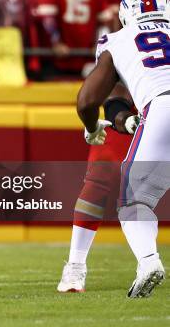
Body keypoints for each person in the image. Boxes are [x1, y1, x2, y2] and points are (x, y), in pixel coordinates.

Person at [75, 0, 169, 298]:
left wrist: (91, 127)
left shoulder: (117, 39)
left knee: (133, 199)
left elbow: (87, 101)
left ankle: (148, 262)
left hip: (162, 106)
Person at [57, 83, 135, 292]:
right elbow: (111, 85)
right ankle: (75, 264)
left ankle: (148, 259)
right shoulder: (116, 51)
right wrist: (123, 117)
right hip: (134, 111)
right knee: (100, 178)